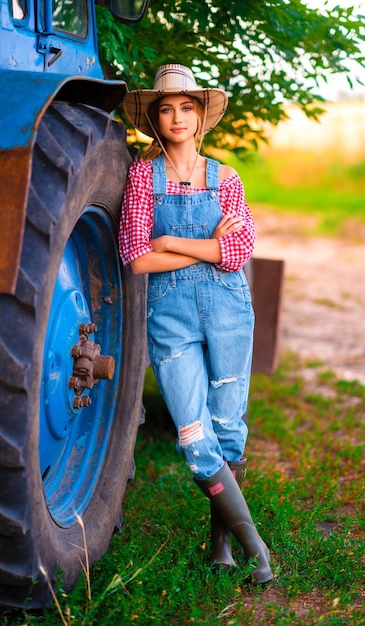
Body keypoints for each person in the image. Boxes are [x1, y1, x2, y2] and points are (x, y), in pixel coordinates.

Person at [120, 64, 272, 584]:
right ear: (154, 119)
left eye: (187, 107)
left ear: (201, 116)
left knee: (229, 429)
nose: (177, 117)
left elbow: (239, 250)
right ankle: (259, 550)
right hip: (171, 317)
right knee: (193, 435)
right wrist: (204, 248)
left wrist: (171, 242)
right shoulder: (143, 176)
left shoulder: (227, 177)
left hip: (228, 311)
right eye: (166, 108)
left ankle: (220, 546)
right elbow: (136, 258)